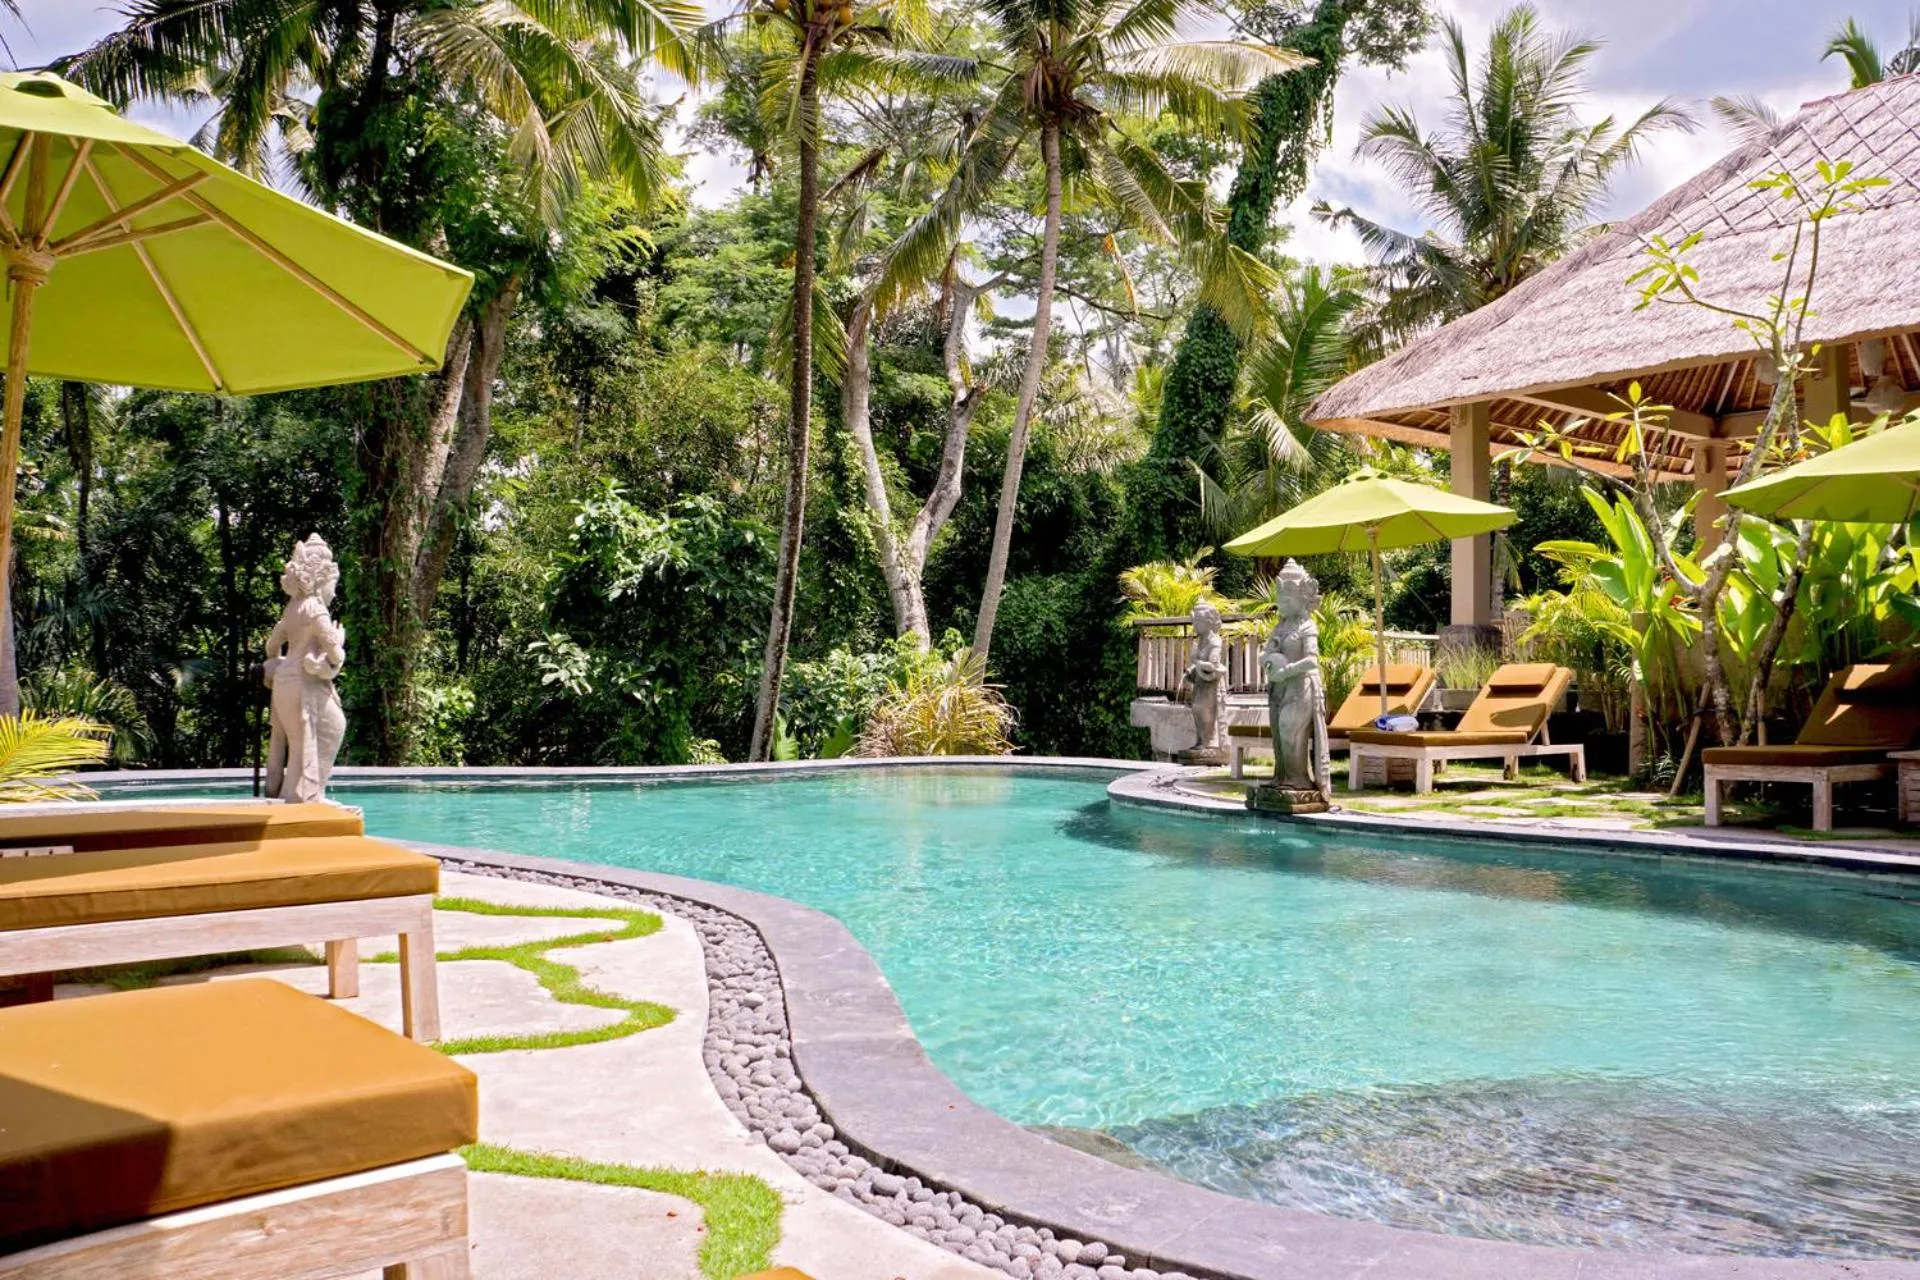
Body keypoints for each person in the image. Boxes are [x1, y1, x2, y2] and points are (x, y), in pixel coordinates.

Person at [263, 534, 347, 802]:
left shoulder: (292, 609)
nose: (334, 592)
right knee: (333, 728)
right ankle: (309, 798)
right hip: (304, 686)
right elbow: (334, 650)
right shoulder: (315, 610)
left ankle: (291, 797)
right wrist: (338, 647)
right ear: (322, 581)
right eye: (333, 585)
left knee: (298, 748)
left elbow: (271, 646)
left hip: (284, 685)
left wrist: (276, 666)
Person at [1260, 560, 1329, 796]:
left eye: (1286, 601)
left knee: (1291, 731)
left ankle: (1298, 780)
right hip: (1279, 688)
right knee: (1279, 735)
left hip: (1300, 686)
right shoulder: (1279, 627)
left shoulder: (1307, 626)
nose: (1280, 605)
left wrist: (1286, 670)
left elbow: (1312, 660)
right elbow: (1265, 653)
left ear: (1300, 601)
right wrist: (1268, 659)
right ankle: (1282, 777)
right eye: (1279, 600)